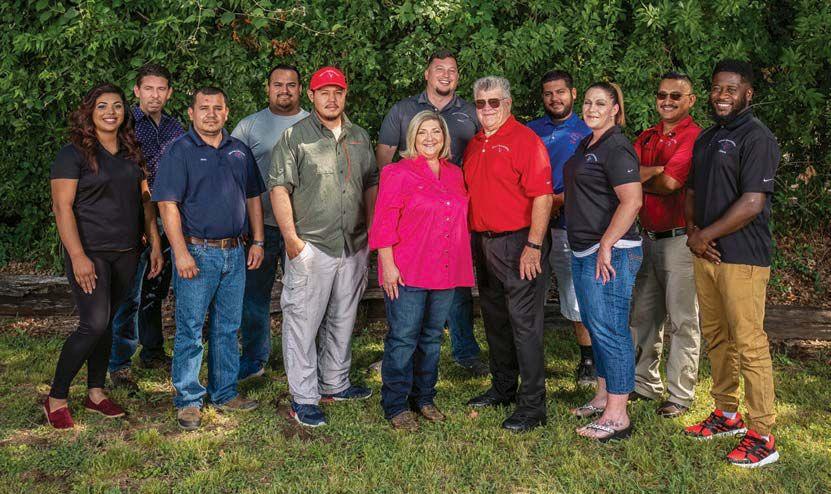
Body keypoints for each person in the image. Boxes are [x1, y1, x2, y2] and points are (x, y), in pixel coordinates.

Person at [44, 83, 163, 429]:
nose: (111, 112)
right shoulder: (72, 154)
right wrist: (77, 256)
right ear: (89, 112)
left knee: (108, 322)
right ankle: (56, 398)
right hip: (90, 252)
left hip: (127, 252)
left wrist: (155, 242)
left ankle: (95, 393)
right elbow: (62, 208)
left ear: (125, 111)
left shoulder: (131, 151)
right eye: (102, 106)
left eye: (117, 106)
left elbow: (145, 201)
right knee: (93, 323)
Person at [683, 60, 780, 468]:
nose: (722, 95)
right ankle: (726, 414)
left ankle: (763, 435)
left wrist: (705, 235)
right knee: (717, 337)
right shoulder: (707, 138)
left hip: (743, 257)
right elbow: (691, 191)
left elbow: (753, 202)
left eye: (731, 89)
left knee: (750, 344)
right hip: (705, 254)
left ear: (747, 93)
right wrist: (693, 232)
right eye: (717, 88)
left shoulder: (758, 138)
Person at [269, 66, 379, 428]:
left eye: (338, 92)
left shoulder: (359, 136)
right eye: (324, 92)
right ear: (312, 96)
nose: (332, 99)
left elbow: (370, 183)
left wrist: (372, 233)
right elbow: (279, 188)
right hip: (312, 245)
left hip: (353, 244)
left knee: (343, 318)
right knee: (302, 322)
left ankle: (335, 382)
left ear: (345, 95)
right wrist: (292, 241)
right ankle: (303, 397)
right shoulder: (294, 137)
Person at [153, 87, 265, 430]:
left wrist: (258, 240)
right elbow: (167, 205)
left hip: (235, 251)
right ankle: (188, 399)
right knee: (190, 328)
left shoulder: (239, 151)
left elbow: (252, 197)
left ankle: (224, 392)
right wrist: (180, 252)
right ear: (191, 113)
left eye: (218, 108)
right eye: (204, 108)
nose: (211, 114)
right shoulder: (180, 151)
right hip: (197, 253)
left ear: (227, 112)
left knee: (227, 327)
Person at [375, 49, 486, 376]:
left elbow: (483, 155)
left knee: (455, 294)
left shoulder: (470, 112)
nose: (446, 75)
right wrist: (403, 190)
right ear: (427, 73)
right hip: (416, 215)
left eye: (452, 70)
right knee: (407, 323)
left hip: (452, 212)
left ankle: (464, 351)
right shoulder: (403, 110)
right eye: (440, 69)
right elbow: (384, 157)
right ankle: (399, 374)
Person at [370, 111, 474, 431]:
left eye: (436, 132)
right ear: (412, 138)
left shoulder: (455, 173)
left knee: (431, 338)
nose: (430, 138)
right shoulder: (397, 172)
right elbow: (383, 221)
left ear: (444, 138)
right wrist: (387, 265)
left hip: (444, 269)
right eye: (422, 133)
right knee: (403, 338)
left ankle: (424, 397)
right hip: (407, 270)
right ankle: (396, 404)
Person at [463, 76, 554, 432]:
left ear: (508, 103)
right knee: (495, 320)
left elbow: (543, 196)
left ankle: (533, 405)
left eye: (494, 102)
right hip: (484, 243)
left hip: (519, 243)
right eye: (480, 103)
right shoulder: (475, 144)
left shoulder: (525, 140)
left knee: (524, 325)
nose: (487, 109)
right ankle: (503, 388)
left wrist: (533, 245)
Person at [564, 82, 642, 442]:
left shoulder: (617, 147)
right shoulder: (587, 143)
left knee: (611, 329)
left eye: (600, 104)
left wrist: (607, 244)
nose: (592, 109)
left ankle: (617, 415)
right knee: (595, 327)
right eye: (588, 102)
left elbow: (632, 201)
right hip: (584, 250)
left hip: (612, 252)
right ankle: (602, 396)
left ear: (615, 109)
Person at [629, 72, 702, 417]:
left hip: (679, 241)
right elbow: (622, 174)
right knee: (643, 316)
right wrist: (653, 171)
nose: (667, 101)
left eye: (676, 96)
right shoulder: (647, 135)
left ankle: (680, 395)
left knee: (683, 320)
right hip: (646, 237)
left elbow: (671, 183)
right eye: (662, 95)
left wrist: (643, 177)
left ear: (691, 100)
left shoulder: (694, 136)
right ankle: (644, 383)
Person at [109, 63, 185, 392]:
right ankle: (119, 364)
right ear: (137, 91)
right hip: (134, 219)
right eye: (148, 89)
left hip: (170, 218)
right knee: (130, 295)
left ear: (169, 93)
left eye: (161, 89)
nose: (155, 95)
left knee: (156, 289)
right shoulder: (122, 124)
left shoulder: (174, 128)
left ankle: (152, 352)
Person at [231, 64, 309, 381]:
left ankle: (301, 358)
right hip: (259, 228)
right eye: (278, 84)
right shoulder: (249, 126)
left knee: (303, 297)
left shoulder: (313, 123)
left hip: (302, 228)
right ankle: (254, 359)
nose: (284, 90)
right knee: (254, 297)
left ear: (300, 89)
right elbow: (231, 172)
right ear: (268, 88)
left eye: (291, 85)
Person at [527, 70, 595, 388]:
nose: (554, 98)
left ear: (573, 93)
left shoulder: (587, 131)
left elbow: (591, 180)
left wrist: (556, 202)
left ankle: (588, 360)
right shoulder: (531, 131)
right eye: (548, 93)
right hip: (535, 228)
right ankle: (528, 358)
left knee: (575, 294)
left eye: (560, 92)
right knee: (530, 294)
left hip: (571, 226)